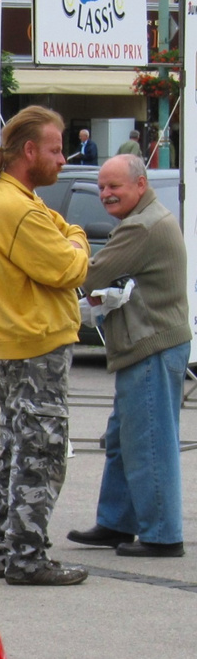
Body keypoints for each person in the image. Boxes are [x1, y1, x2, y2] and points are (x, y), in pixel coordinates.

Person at [0, 105, 91, 585]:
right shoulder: (18, 208)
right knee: (42, 453)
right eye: (56, 149)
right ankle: (27, 556)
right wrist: (78, 243)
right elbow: (70, 266)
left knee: (18, 450)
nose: (63, 158)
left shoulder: (14, 199)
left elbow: (66, 239)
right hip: (36, 345)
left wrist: (73, 238)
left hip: (19, 344)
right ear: (28, 151)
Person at [66, 154, 189, 558]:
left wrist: (66, 244)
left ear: (140, 184)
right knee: (123, 440)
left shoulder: (141, 227)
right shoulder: (149, 218)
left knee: (148, 443)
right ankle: (115, 522)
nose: (105, 194)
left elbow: (86, 274)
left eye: (114, 186)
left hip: (150, 346)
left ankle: (162, 535)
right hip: (150, 344)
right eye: (102, 186)